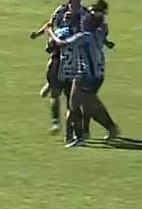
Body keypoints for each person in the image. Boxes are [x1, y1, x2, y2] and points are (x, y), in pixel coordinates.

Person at [48, 11, 118, 147]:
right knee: (89, 105)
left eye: (87, 19)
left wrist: (50, 31)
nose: (84, 19)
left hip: (84, 75)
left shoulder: (84, 36)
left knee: (75, 106)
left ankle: (80, 137)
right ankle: (109, 128)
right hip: (97, 75)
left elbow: (61, 43)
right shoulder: (98, 34)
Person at [33, 0, 93, 132]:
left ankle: (73, 128)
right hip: (58, 52)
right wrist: (38, 33)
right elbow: (50, 24)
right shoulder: (62, 9)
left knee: (71, 95)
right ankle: (55, 121)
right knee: (55, 91)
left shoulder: (85, 15)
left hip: (75, 56)